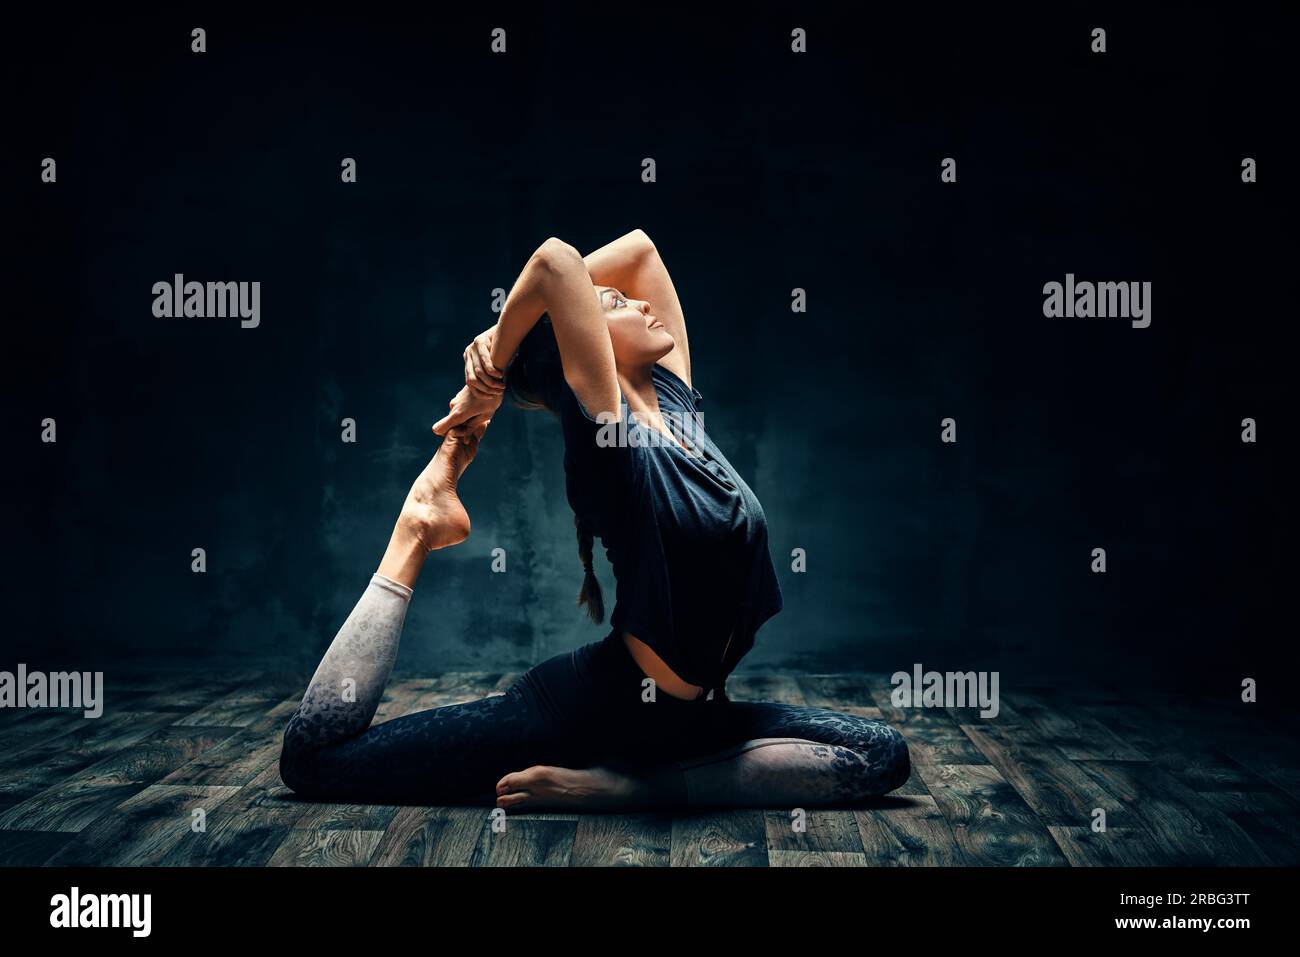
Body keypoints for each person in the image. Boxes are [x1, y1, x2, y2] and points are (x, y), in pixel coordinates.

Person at [278, 230, 910, 810]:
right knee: (316, 765)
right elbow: (554, 262)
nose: (635, 301)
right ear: (582, 349)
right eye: (609, 304)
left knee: (882, 756)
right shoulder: (609, 437)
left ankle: (633, 788)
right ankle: (418, 524)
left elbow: (640, 252)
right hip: (587, 713)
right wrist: (496, 367)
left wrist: (506, 335)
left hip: (685, 724)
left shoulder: (677, 405)